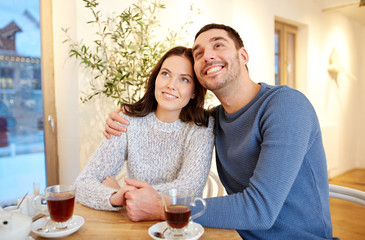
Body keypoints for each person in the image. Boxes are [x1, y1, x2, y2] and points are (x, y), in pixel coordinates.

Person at [104, 24, 335, 239]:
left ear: (243, 56)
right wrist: (129, 115)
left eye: (218, 45)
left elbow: (260, 210)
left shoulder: (286, 105)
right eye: (198, 53)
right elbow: (170, 118)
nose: (208, 56)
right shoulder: (212, 120)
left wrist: (164, 207)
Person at [75, 46, 215, 214]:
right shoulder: (126, 121)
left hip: (177, 226)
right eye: (165, 74)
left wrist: (127, 193)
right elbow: (83, 183)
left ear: (194, 91)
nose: (171, 85)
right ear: (156, 78)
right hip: (132, 225)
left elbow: (189, 190)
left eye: (184, 79)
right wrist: (115, 196)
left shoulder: (201, 128)